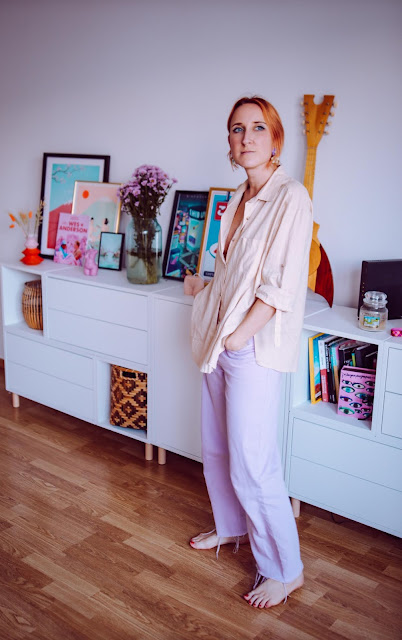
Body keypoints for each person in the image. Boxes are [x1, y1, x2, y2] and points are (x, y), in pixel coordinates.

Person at [184, 96, 313, 609]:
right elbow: (234, 274)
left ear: (275, 138)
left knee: (254, 464)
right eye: (238, 129)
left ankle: (285, 570)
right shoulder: (237, 197)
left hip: (251, 346)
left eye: (258, 127)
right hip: (219, 339)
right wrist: (203, 292)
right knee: (217, 448)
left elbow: (281, 285)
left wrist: (239, 337)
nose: (247, 137)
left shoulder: (291, 197)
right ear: (230, 142)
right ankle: (232, 526)